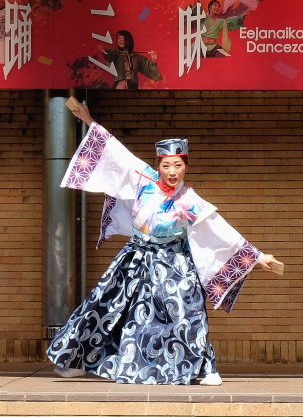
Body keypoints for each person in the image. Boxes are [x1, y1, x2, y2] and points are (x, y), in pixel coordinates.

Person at [47, 98, 285, 385]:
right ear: (158, 166)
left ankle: (202, 367)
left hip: (174, 261)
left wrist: (257, 257)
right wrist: (88, 120)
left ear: (185, 167)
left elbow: (219, 229)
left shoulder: (189, 200)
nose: (172, 172)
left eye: (178, 166)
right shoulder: (142, 179)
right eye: (166, 165)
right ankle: (78, 358)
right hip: (135, 257)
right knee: (107, 305)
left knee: (187, 308)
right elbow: (116, 152)